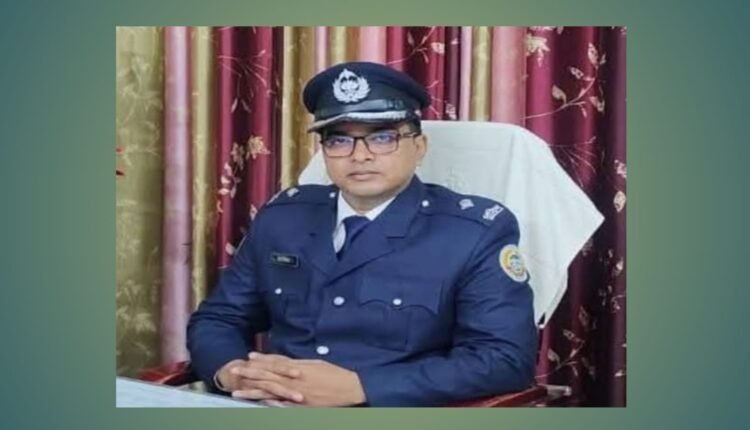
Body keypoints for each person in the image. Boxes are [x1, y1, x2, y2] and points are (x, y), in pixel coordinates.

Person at [187, 61, 537, 407]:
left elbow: (504, 359)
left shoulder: (473, 233)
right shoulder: (283, 218)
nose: (360, 156)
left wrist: (363, 388)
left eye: (382, 138)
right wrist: (233, 372)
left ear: (419, 147)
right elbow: (219, 318)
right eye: (339, 140)